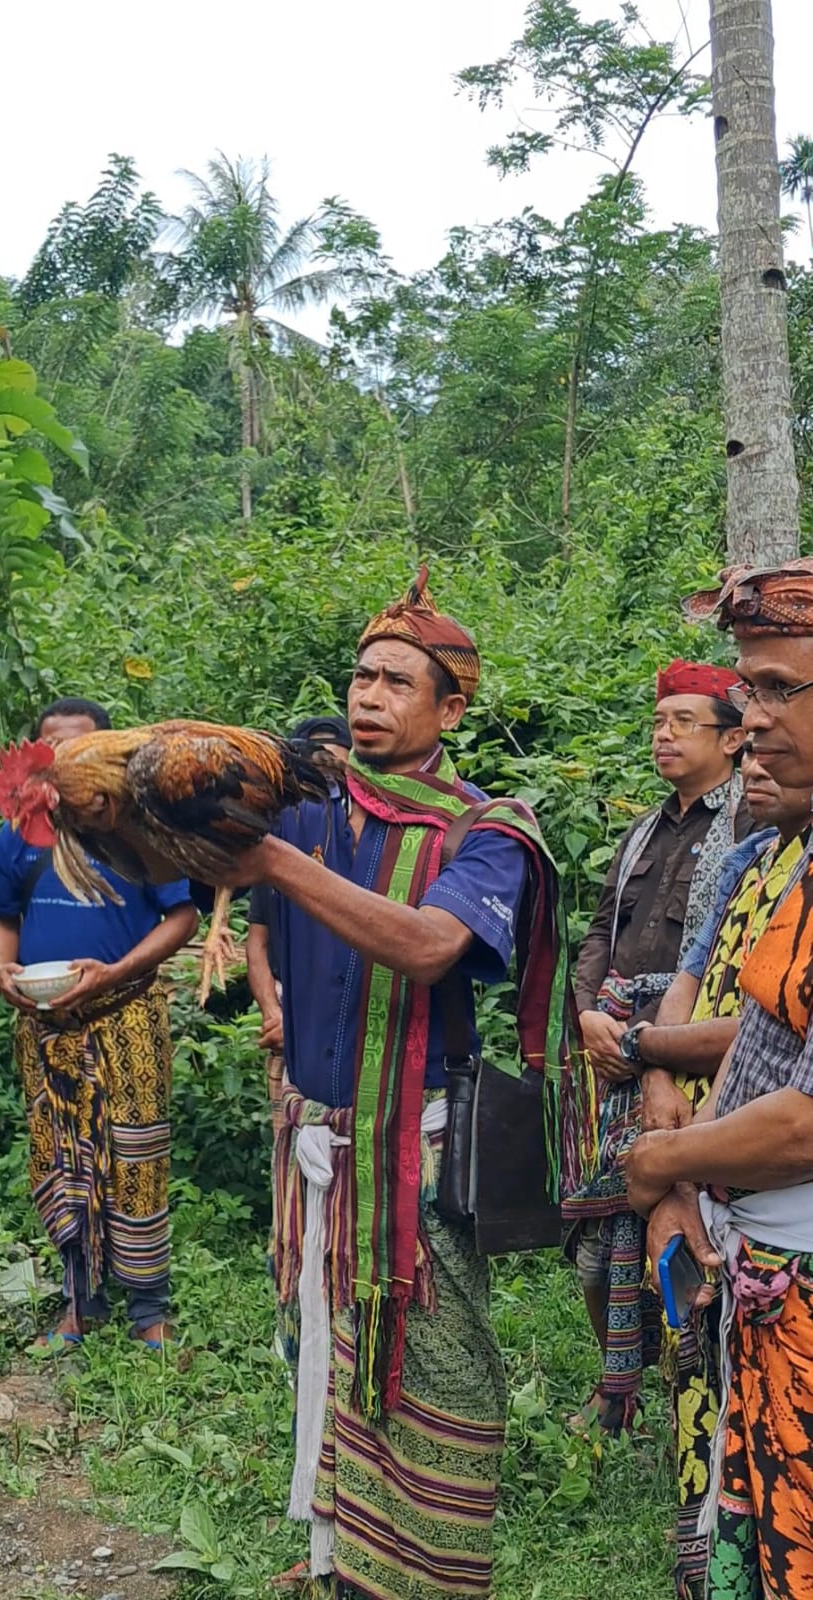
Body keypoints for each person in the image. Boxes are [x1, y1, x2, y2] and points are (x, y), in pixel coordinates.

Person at [213, 568, 583, 1600]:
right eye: (359, 676)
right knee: (322, 1353)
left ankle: (424, 1576)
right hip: (315, 1136)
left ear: (449, 706)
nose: (366, 696)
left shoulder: (486, 831)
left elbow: (427, 947)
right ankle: (338, 1554)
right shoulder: (300, 807)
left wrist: (277, 868)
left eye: (394, 681)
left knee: (435, 1371)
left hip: (413, 1150)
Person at [625, 557, 813, 1600]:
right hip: (768, 1281)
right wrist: (681, 1176)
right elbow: (751, 1052)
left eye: (780, 688)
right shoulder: (781, 860)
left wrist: (659, 1159)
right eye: (747, 691)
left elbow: (804, 1122)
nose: (755, 719)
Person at [564, 659, 749, 1433]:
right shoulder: (645, 827)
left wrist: (657, 1055)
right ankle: (617, 1386)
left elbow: (716, 969)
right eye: (657, 722)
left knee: (680, 1229)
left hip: (692, 1063)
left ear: (735, 738)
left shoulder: (748, 826)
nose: (663, 736)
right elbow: (598, 935)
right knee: (593, 1238)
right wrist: (586, 1020)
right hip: (611, 1051)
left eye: (683, 722)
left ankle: (687, 1401)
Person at [0, 697, 198, 1349]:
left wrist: (116, 971)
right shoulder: (20, 830)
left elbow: (182, 917)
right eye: (53, 749)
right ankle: (80, 1302)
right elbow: (1, 917)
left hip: (125, 1012)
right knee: (62, 1156)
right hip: (46, 1024)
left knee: (135, 1154)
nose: (65, 762)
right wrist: (4, 969)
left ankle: (147, 1309)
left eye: (80, 749)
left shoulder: (135, 829)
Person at [246, 715, 352, 1134]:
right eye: (313, 762)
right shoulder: (279, 838)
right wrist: (274, 1013)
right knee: (288, 1141)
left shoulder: (356, 834)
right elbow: (257, 942)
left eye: (332, 762)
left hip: (340, 1014)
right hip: (286, 1012)